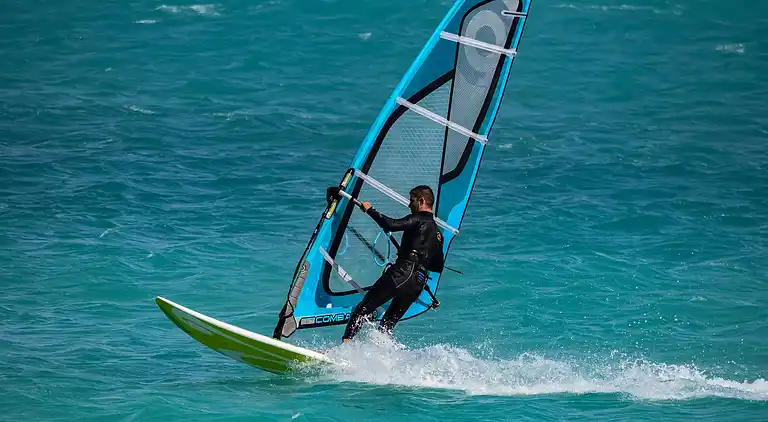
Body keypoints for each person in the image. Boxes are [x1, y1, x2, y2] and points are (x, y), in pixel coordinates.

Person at [342, 185, 445, 342]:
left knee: (364, 308)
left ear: (422, 201)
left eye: (412, 201)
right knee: (387, 325)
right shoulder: (438, 235)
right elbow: (437, 266)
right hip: (418, 283)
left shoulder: (418, 219)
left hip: (402, 273)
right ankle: (381, 357)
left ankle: (344, 347)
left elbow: (391, 225)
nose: (409, 205)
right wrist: (419, 254)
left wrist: (370, 210)